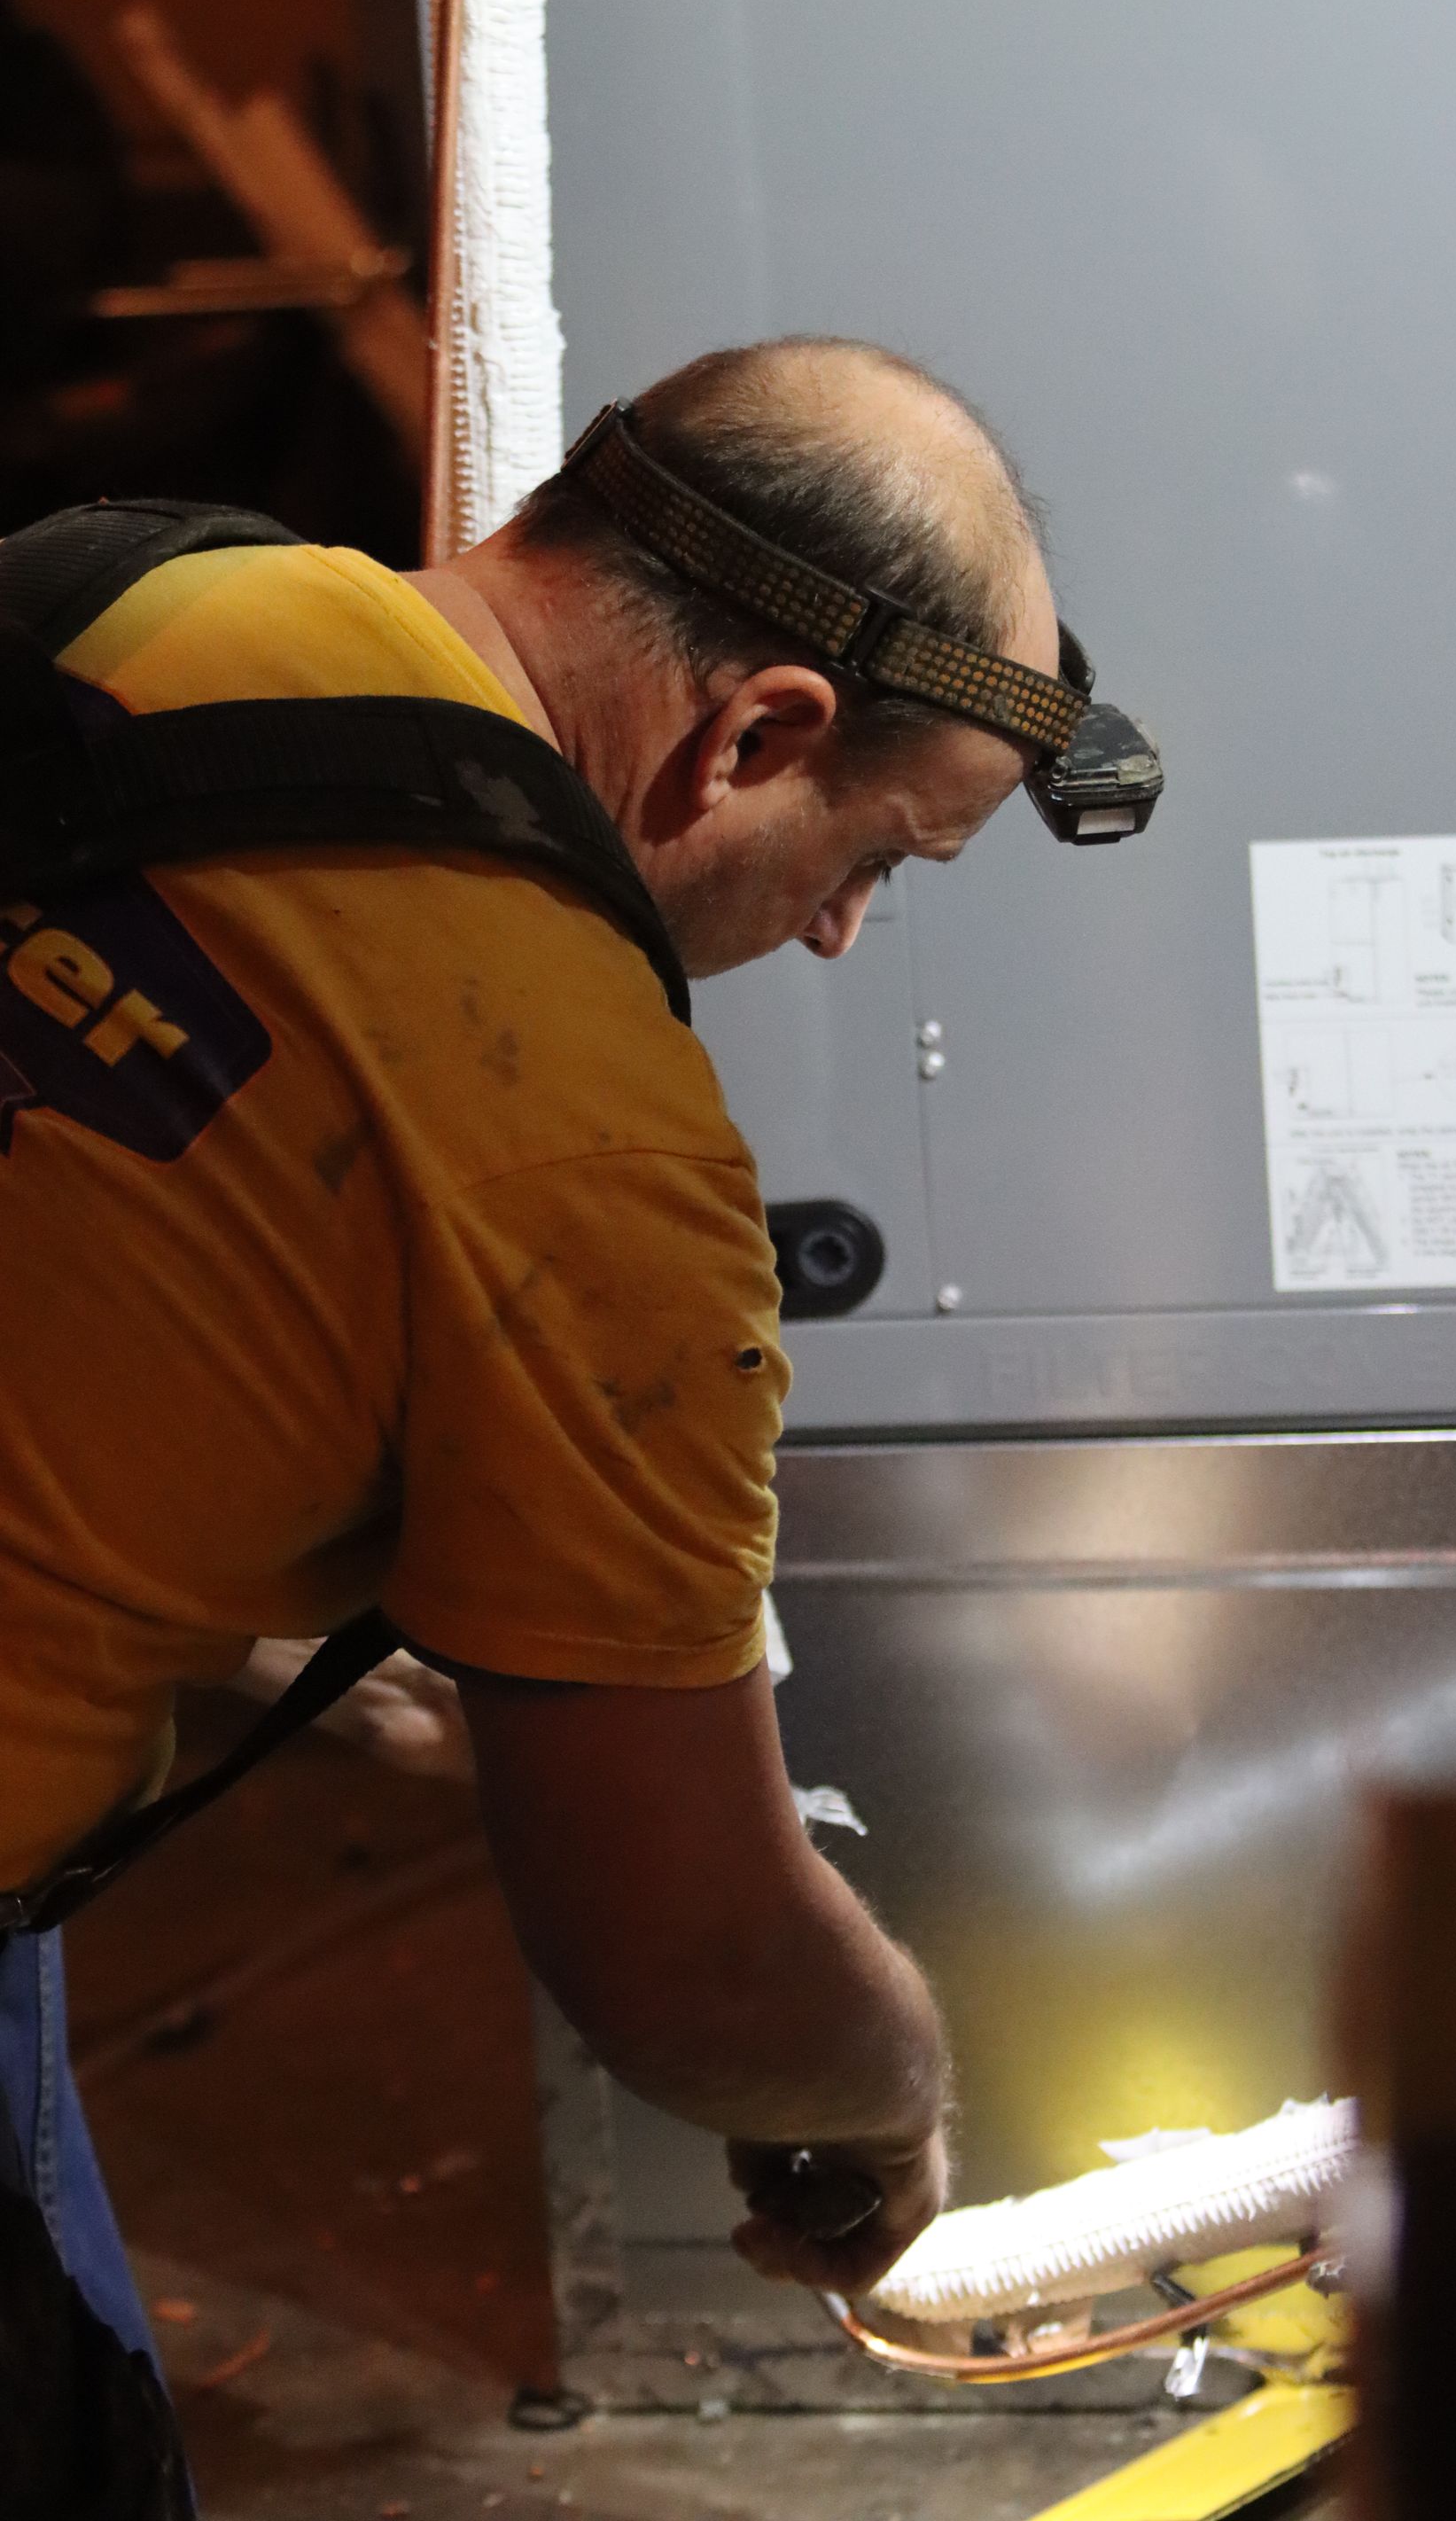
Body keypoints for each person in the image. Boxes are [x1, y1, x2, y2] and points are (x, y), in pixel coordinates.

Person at [0, 335, 1062, 2421]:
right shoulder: (591, 1152)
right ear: (757, 731)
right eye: (878, 858)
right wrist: (892, 2084)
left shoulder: (112, 590)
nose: (839, 934)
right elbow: (690, 1965)